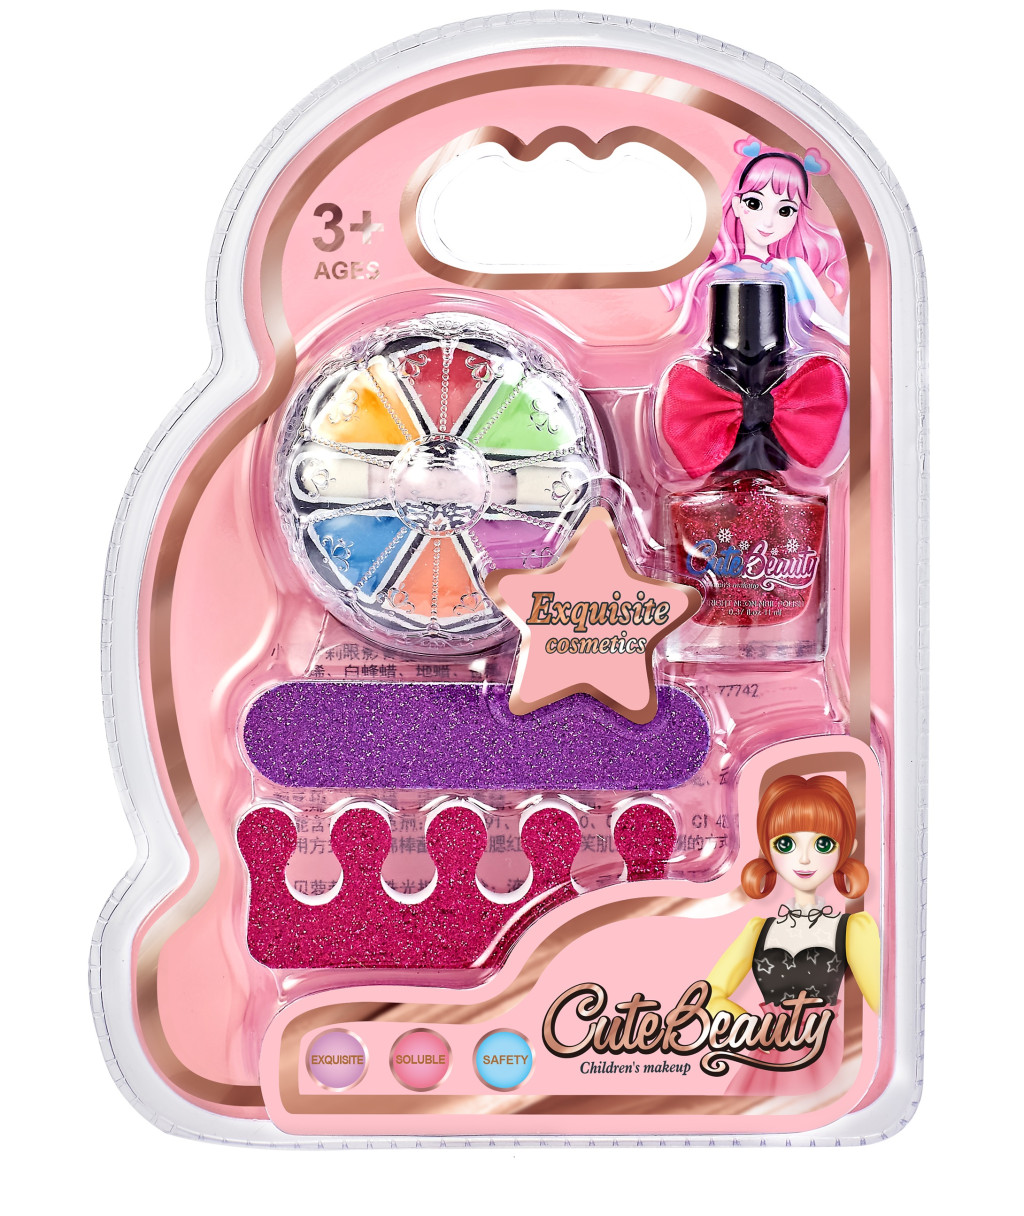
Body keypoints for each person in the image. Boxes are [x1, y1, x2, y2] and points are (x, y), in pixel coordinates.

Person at [707, 774, 879, 1092]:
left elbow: (887, 1007)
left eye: (822, 844)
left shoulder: (853, 929)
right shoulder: (759, 930)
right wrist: (757, 1028)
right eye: (785, 844)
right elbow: (709, 995)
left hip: (822, 1056)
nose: (804, 858)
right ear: (766, 849)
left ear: (848, 848)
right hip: (767, 1056)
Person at [664, 140, 849, 348]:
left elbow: (843, 332)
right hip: (733, 362)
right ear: (736, 204)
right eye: (754, 203)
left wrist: (861, 270)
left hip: (795, 362)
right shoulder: (722, 276)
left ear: (798, 215)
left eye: (785, 210)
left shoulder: (796, 269)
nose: (768, 222)